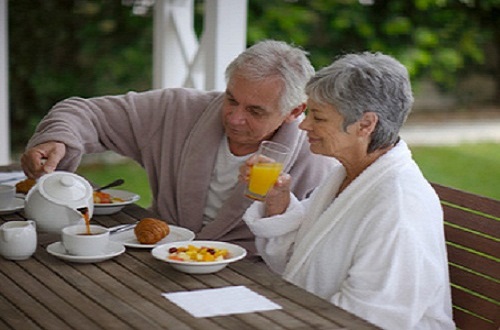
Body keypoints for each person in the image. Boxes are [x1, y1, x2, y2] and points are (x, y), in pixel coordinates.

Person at [21, 40, 337, 255]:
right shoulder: (177, 109)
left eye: (255, 111)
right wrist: (57, 138)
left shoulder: (317, 159)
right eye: (231, 99)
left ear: (296, 111)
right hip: (155, 256)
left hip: (246, 280)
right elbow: (83, 112)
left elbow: (304, 252)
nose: (235, 118)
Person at [240, 52, 455, 329]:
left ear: (365, 124)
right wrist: (277, 200)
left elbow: (374, 317)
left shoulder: (399, 206)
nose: (304, 125)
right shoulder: (348, 175)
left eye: (318, 117)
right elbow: (301, 261)